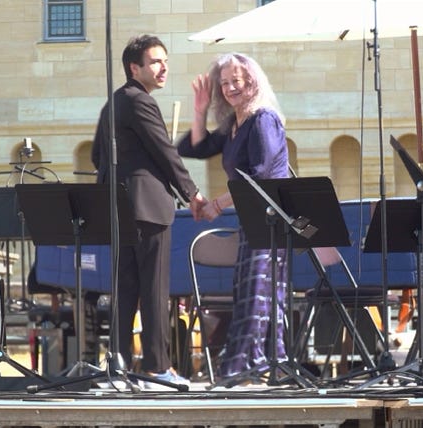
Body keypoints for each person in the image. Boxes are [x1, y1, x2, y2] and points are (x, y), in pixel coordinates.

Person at [91, 34, 206, 386]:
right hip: (148, 207)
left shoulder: (113, 103)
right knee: (155, 290)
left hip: (119, 207)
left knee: (125, 289)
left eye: (165, 61)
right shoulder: (139, 100)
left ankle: (119, 366)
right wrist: (193, 193)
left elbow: (98, 156)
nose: (163, 67)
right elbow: (164, 151)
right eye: (155, 61)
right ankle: (158, 367)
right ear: (134, 67)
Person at [177, 52, 289, 380]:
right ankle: (266, 365)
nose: (229, 88)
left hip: (270, 219)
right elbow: (196, 148)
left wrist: (217, 204)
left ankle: (249, 367)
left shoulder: (263, 119)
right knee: (250, 294)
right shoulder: (234, 125)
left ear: (252, 81)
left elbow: (259, 176)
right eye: (224, 83)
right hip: (251, 220)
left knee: (259, 295)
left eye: (235, 81)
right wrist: (199, 111)